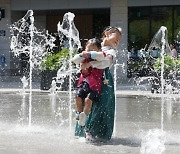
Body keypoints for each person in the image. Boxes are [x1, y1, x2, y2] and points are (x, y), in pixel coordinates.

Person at [74, 26, 122, 141]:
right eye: (117, 37)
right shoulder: (95, 45)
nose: (118, 40)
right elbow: (81, 59)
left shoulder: (111, 51)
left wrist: (90, 64)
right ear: (107, 34)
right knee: (84, 102)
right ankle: (82, 130)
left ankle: (94, 132)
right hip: (89, 79)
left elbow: (105, 62)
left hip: (104, 81)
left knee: (101, 105)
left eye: (120, 39)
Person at [72, 38, 103, 126]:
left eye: (93, 50)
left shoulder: (99, 59)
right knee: (78, 96)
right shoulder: (84, 59)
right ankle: (79, 113)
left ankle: (84, 116)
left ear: (98, 50)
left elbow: (101, 56)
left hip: (95, 86)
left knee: (88, 100)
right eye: (88, 50)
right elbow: (75, 60)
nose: (89, 52)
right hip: (84, 83)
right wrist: (82, 55)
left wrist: (90, 55)